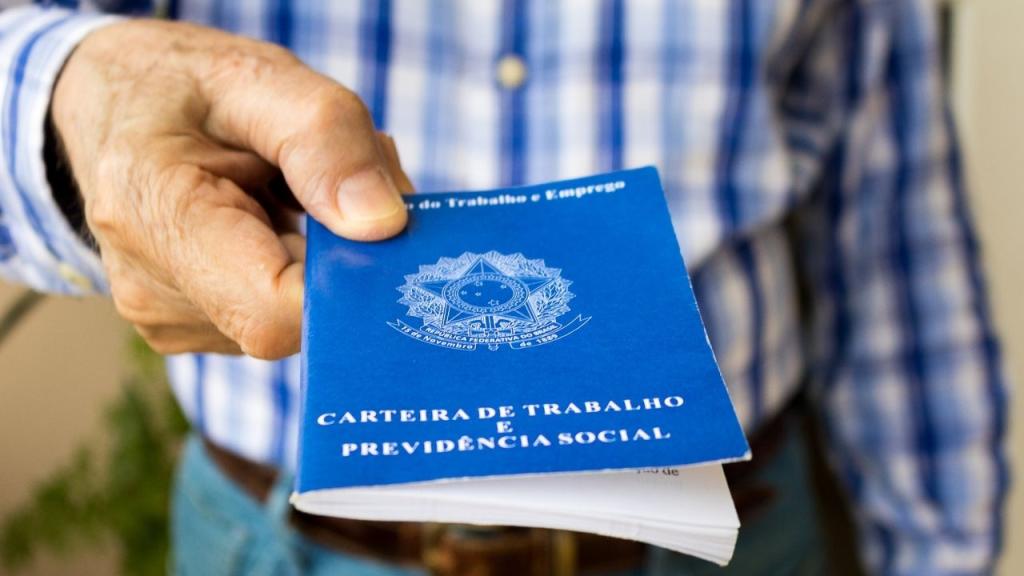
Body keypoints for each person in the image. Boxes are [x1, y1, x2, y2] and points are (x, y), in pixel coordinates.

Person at [0, 1, 1010, 574]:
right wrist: (73, 101)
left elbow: (891, 222)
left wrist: (945, 552)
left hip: (728, 533)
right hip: (288, 537)